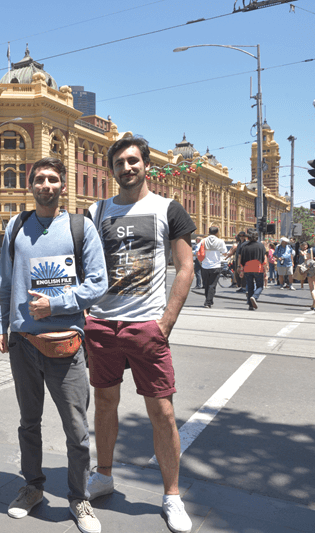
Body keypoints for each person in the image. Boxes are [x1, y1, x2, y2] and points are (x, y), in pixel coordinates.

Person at [84, 137, 196, 533]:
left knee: (162, 412)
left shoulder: (168, 208)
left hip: (147, 327)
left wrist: (165, 322)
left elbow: (185, 267)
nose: (127, 167)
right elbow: (82, 263)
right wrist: (85, 313)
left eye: (133, 161)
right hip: (102, 325)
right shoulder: (96, 210)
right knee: (104, 403)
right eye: (119, 162)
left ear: (146, 165)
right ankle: (104, 475)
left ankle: (172, 496)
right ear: (111, 169)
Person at [0, 157, 107, 533]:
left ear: (63, 185)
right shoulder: (17, 225)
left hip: (67, 345)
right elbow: (6, 282)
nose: (45, 184)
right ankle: (32, 487)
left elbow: (98, 284)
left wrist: (55, 304)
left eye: (52, 179)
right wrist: (1, 325)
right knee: (29, 422)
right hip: (23, 343)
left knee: (76, 428)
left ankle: (79, 499)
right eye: (39, 179)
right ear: (31, 185)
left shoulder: (80, 227)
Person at [237, 229, 267, 310]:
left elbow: (241, 258)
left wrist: (241, 269)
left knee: (249, 286)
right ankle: (255, 296)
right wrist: (265, 270)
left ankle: (250, 305)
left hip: (247, 268)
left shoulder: (244, 246)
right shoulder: (261, 246)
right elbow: (264, 259)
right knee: (260, 286)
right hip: (258, 268)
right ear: (257, 237)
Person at [199, 226, 227, 308]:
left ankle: (208, 300)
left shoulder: (203, 241)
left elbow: (198, 250)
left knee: (206, 284)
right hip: (215, 266)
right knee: (212, 285)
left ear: (209, 232)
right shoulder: (220, 241)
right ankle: (208, 302)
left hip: (204, 265)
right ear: (217, 233)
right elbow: (224, 252)